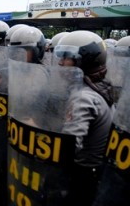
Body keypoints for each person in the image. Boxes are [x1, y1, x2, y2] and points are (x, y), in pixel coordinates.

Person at [54, 30, 114, 206]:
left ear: (85, 61)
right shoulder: (98, 87)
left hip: (81, 175)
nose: (60, 62)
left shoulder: (83, 97)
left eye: (67, 57)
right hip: (96, 173)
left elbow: (68, 147)